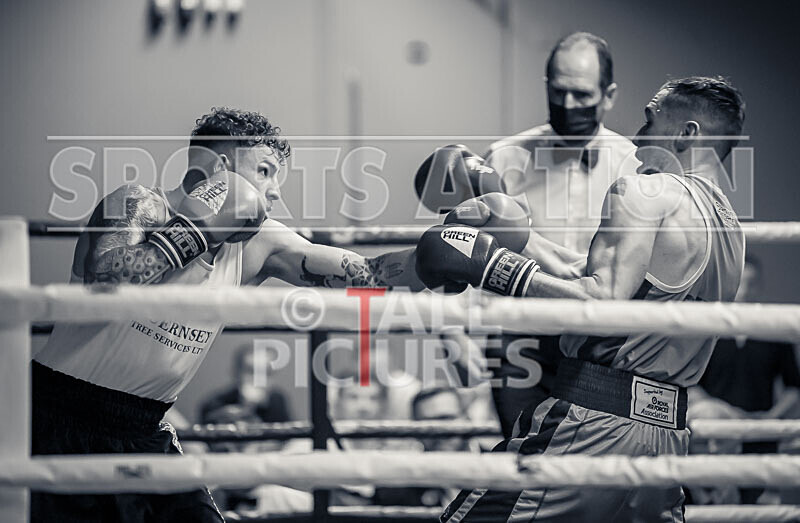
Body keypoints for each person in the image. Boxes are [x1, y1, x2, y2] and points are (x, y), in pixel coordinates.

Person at [31, 107, 424, 522]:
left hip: (145, 427)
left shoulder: (261, 243)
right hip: (58, 415)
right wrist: (196, 231)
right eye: (266, 171)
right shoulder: (138, 202)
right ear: (220, 168)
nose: (274, 193)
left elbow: (366, 273)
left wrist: (432, 263)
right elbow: (106, 279)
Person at [415, 76, 745, 522]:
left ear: (687, 133)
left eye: (650, 121)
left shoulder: (644, 191)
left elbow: (602, 301)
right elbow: (606, 281)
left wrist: (491, 266)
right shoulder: (729, 229)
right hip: (665, 435)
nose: (636, 135)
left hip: (592, 422)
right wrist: (518, 237)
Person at [486, 31, 639, 439]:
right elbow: (480, 249)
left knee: (589, 469)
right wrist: (464, 332)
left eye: (581, 95)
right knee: (520, 461)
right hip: (520, 335)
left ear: (608, 95)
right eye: (558, 91)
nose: (568, 104)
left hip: (602, 343)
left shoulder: (634, 165)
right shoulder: (504, 157)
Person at [689, 255, 800, 504]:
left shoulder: (774, 331)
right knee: (712, 507)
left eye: (752, 283)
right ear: (732, 285)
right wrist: (724, 414)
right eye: (741, 283)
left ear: (758, 286)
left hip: (759, 435)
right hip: (714, 437)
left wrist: (767, 420)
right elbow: (689, 383)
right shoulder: (709, 331)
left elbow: (794, 387)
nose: (746, 290)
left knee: (756, 509)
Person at [200, 344, 291, 426]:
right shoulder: (216, 402)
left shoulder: (277, 399)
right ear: (236, 373)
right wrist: (247, 407)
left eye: (267, 373)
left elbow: (285, 437)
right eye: (251, 371)